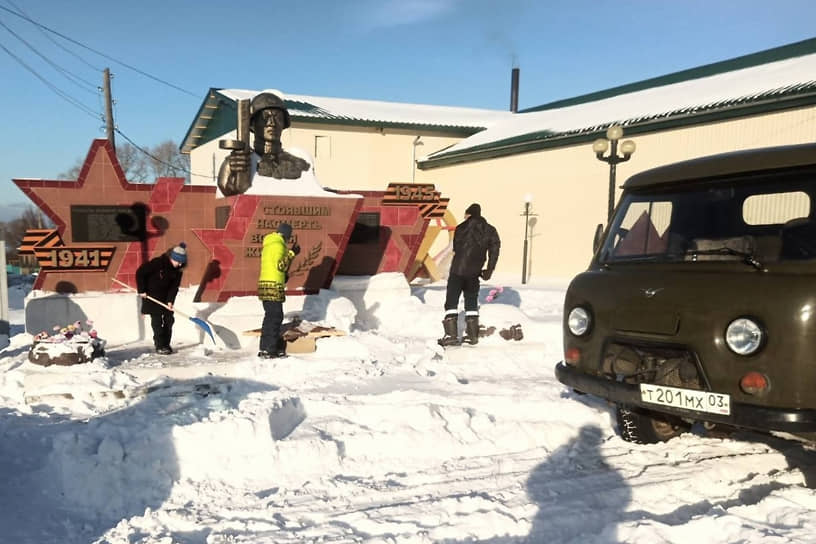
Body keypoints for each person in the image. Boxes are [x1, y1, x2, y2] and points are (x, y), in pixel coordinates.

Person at [218, 92, 311, 196]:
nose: (272, 122)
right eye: (265, 117)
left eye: (278, 118)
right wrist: (229, 170)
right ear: (252, 124)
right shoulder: (241, 162)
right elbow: (227, 189)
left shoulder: (298, 164)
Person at [439, 203, 500, 346]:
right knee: (471, 300)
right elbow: (495, 250)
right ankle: (472, 336)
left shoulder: (461, 227)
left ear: (469, 214)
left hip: (457, 271)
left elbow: (456, 247)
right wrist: (489, 269)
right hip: (474, 272)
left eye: (465, 214)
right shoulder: (490, 230)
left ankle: (451, 336)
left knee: (452, 301)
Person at [257, 223, 300, 358]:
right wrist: (292, 253)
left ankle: (264, 348)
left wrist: (283, 276)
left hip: (265, 285)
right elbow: (280, 265)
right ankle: (271, 350)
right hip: (273, 286)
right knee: (275, 318)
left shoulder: (269, 244)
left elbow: (273, 267)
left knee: (270, 316)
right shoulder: (278, 245)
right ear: (287, 235)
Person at [136, 242, 187, 354]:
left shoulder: (178, 270)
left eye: (181, 262)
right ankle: (159, 345)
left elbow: (174, 287)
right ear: (172, 258)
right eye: (178, 261)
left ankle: (166, 344)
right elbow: (140, 273)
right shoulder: (157, 263)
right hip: (151, 296)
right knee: (157, 321)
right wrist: (142, 290)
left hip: (166, 298)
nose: (179, 264)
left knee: (169, 320)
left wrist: (170, 301)